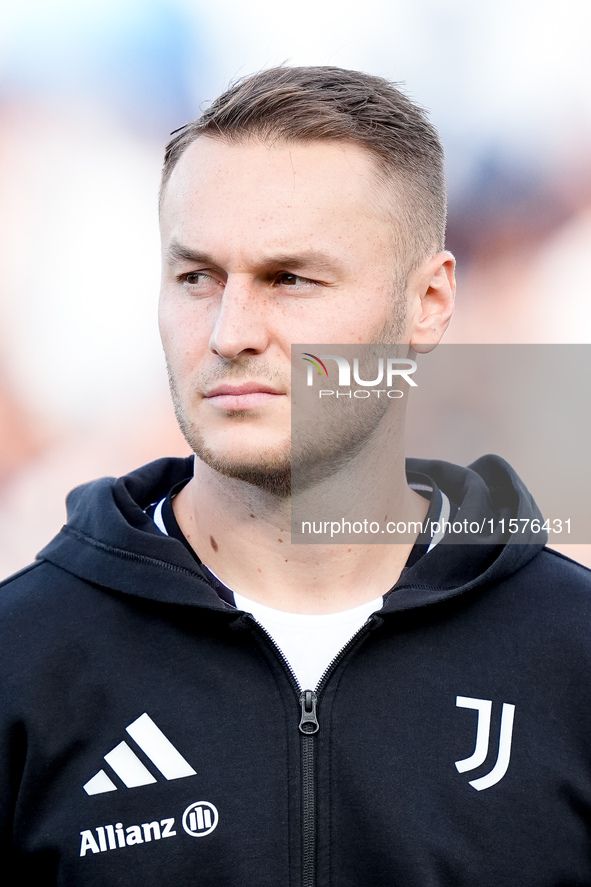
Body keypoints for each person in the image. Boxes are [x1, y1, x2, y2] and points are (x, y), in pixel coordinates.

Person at [1, 66, 590, 887]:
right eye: (196, 276)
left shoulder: (569, 654)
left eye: (290, 278)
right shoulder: (26, 660)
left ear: (426, 302)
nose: (230, 330)